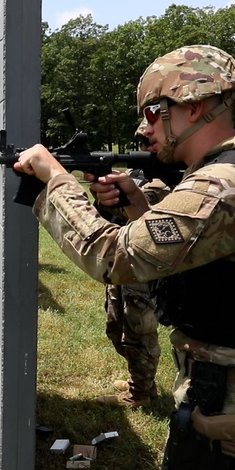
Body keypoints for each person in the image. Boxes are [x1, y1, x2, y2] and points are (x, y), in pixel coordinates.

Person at [13, 45, 235, 470]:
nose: (143, 127)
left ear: (192, 106)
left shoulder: (224, 186)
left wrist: (55, 179)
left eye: (152, 112)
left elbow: (113, 256)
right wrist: (137, 204)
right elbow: (185, 251)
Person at [92, 121, 171, 408]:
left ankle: (140, 393)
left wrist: (104, 186)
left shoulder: (163, 179)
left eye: (151, 141)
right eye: (143, 142)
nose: (147, 146)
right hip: (122, 263)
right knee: (116, 328)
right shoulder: (136, 173)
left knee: (140, 332)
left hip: (143, 268)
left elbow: (141, 204)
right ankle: (140, 379)